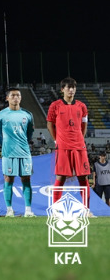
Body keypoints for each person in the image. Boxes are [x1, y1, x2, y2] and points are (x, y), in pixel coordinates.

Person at [47, 77, 94, 217]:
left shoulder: (82, 106)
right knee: (60, 177)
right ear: (62, 90)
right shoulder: (55, 105)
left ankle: (86, 210)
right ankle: (55, 210)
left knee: (83, 178)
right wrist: (56, 140)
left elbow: (84, 125)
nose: (71, 90)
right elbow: (49, 123)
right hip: (63, 147)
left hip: (79, 147)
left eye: (73, 87)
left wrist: (81, 139)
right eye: (68, 87)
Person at [0, 87, 35, 217]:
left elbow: (29, 133)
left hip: (24, 152)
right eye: (12, 95)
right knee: (8, 179)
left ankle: (28, 210)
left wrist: (22, 143)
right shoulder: (0, 115)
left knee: (26, 179)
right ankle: (9, 210)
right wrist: (6, 144)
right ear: (7, 98)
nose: (15, 98)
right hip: (8, 153)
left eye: (18, 95)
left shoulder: (27, 115)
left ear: (21, 98)